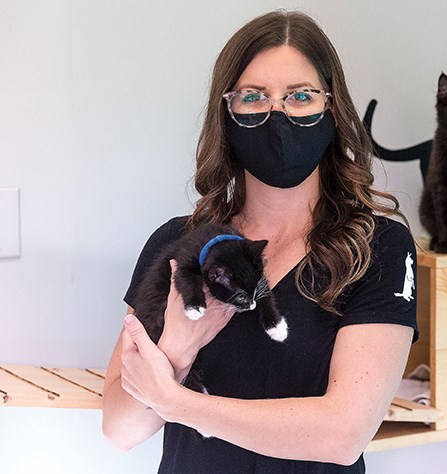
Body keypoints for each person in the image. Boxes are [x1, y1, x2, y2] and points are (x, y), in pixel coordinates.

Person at [102, 10, 418, 473]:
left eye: (300, 96)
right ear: (227, 114)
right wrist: (178, 349)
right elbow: (120, 428)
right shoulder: (177, 243)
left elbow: (342, 434)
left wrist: (176, 401)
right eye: (253, 97)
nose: (278, 113)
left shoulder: (378, 249)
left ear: (332, 109)